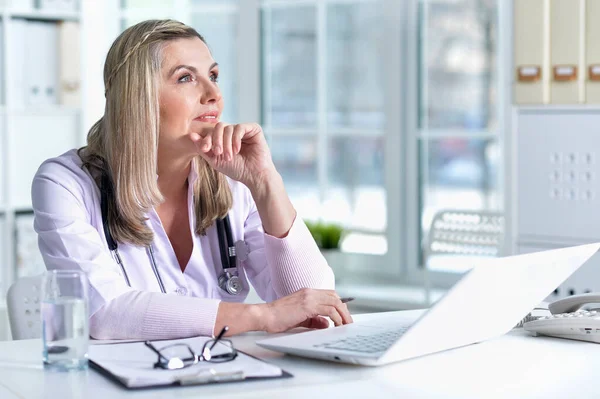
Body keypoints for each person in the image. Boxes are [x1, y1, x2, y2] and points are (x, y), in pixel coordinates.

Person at [32, 19, 352, 340]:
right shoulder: (66, 183)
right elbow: (103, 312)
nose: (213, 94)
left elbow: (317, 308)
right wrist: (261, 315)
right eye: (186, 78)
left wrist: (265, 182)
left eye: (213, 76)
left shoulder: (234, 180)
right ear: (137, 98)